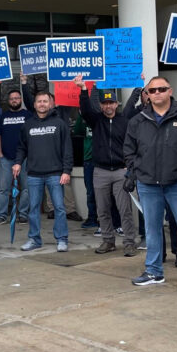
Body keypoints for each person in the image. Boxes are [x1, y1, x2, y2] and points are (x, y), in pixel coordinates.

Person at [124, 77, 177, 288]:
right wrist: (136, 171)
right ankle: (154, 272)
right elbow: (129, 150)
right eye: (152, 90)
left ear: (170, 91)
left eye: (161, 89)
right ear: (147, 94)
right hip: (148, 184)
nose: (157, 93)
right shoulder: (137, 120)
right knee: (152, 228)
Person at [78, 80, 136, 256]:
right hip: (100, 171)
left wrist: (130, 166)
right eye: (105, 103)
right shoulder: (96, 121)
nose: (108, 106)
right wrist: (83, 89)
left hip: (120, 171)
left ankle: (129, 242)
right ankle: (108, 240)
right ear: (101, 105)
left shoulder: (124, 121)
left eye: (111, 103)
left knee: (124, 209)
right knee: (102, 209)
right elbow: (86, 109)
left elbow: (132, 145)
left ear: (116, 104)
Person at [13, 89, 73, 252]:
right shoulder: (27, 125)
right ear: (34, 104)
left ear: (50, 103)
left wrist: (66, 171)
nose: (42, 104)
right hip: (34, 174)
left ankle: (62, 239)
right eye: (39, 101)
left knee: (59, 207)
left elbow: (67, 149)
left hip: (55, 174)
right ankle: (34, 239)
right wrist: (18, 162)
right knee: (33, 208)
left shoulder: (60, 124)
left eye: (45, 101)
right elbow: (21, 147)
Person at [0, 87, 31, 226]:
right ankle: (1, 215)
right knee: (3, 189)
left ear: (20, 100)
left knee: (26, 188)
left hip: (25, 159)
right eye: (11, 98)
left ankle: (22, 214)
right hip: (7, 159)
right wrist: (0, 154)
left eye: (17, 98)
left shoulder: (28, 116)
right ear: (8, 101)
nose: (14, 100)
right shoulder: (2, 117)